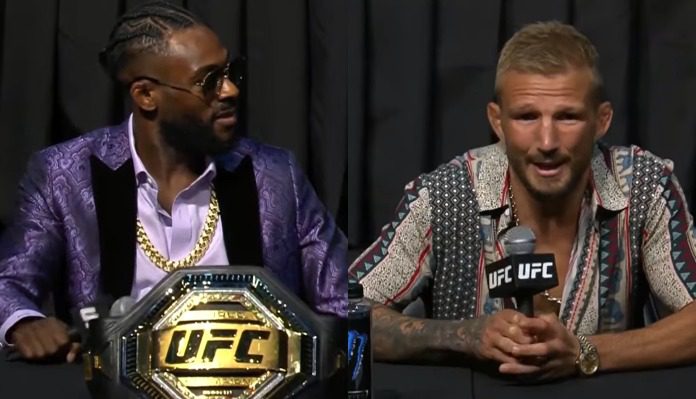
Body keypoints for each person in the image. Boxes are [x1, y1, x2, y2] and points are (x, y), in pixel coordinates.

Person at [0, 1, 346, 363]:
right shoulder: (64, 174)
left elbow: (339, 298)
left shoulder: (274, 174)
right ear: (146, 96)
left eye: (231, 73)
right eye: (208, 81)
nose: (229, 90)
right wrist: (25, 323)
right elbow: (10, 281)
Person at [349, 21, 696, 380]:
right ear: (497, 121)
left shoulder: (642, 187)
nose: (547, 142)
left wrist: (584, 351)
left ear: (601, 120)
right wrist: (464, 336)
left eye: (568, 116)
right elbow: (343, 312)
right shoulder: (444, 197)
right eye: (527, 116)